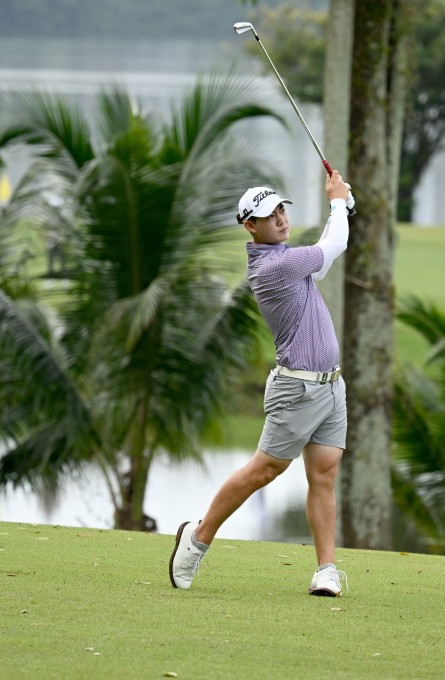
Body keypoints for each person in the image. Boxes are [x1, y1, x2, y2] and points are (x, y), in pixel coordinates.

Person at [169, 171, 353, 597]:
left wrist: (340, 208)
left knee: (324, 475)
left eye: (282, 210)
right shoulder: (274, 267)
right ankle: (197, 538)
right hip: (297, 390)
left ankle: (326, 570)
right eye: (270, 216)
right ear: (251, 226)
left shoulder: (289, 259)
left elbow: (325, 257)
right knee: (264, 470)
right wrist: (338, 201)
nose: (281, 219)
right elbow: (334, 246)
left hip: (330, 387)